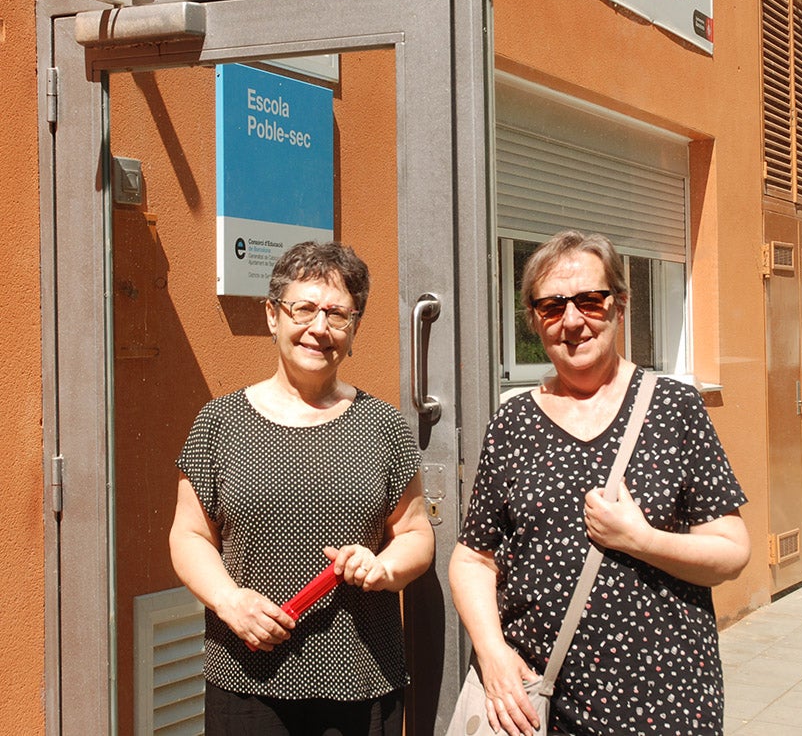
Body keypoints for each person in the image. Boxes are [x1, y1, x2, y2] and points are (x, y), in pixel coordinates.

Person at [449, 230, 751, 735]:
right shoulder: (513, 422)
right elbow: (472, 558)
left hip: (664, 702)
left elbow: (732, 550)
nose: (572, 321)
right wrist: (493, 653)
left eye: (590, 300)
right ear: (534, 320)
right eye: (552, 307)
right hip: (538, 705)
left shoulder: (674, 408)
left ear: (620, 306)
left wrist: (641, 540)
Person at [169, 240, 434, 736]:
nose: (319, 328)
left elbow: (417, 534)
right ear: (273, 316)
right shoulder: (219, 423)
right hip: (247, 679)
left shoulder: (384, 427)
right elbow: (189, 536)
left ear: (353, 328)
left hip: (361, 679)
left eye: (337, 314)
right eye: (304, 308)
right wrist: (229, 601)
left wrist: (384, 567)